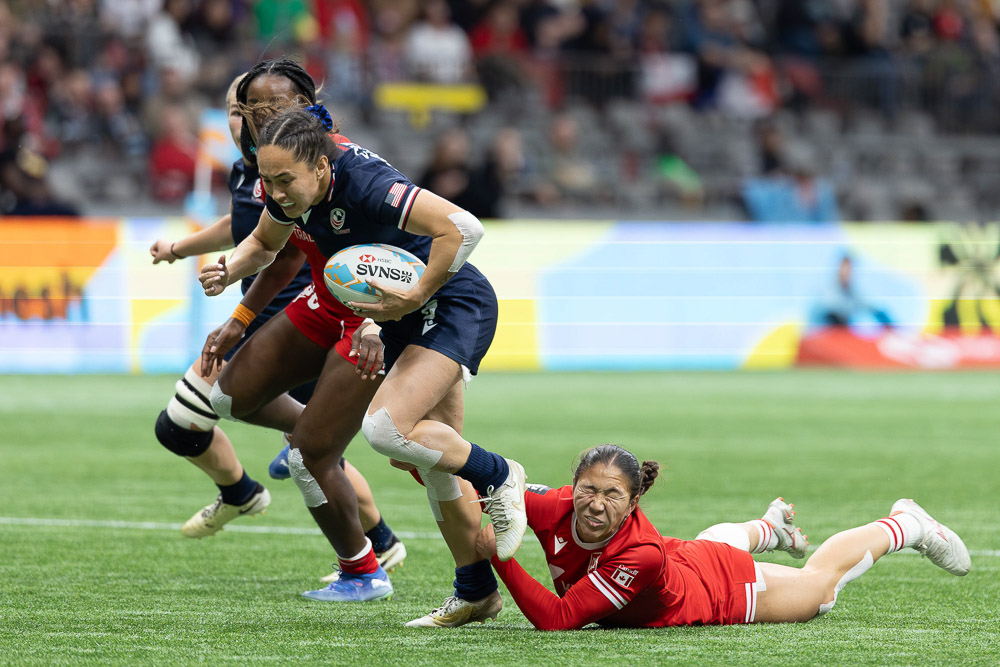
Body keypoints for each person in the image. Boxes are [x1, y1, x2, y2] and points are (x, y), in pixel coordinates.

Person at [198, 102, 528, 623]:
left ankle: (501, 475)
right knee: (429, 455)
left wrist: (416, 292)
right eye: (268, 181)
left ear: (323, 168)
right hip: (393, 311)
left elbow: (464, 228)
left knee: (385, 430)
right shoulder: (287, 182)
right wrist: (228, 268)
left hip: (450, 303)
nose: (275, 193)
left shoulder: (366, 181)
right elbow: (266, 242)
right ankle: (476, 591)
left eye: (284, 181)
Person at [149, 69, 406, 579]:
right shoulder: (250, 171)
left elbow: (286, 256)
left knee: (296, 445)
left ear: (304, 104)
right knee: (302, 445)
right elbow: (252, 234)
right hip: (275, 320)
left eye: (264, 107)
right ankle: (368, 539)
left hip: (307, 323)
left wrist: (241, 318)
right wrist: (183, 251)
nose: (247, 118)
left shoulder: (319, 164)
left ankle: (252, 497)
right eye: (238, 109)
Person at [478, 444, 970, 630]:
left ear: (633, 502)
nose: (596, 504)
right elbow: (479, 480)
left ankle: (906, 524)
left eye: (612, 494)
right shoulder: (553, 504)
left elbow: (560, 619)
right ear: (572, 485)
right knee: (704, 544)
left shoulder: (638, 553)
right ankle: (769, 528)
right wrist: (421, 456)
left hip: (720, 591)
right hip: (684, 559)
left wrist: (500, 557)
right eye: (587, 489)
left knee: (820, 589)